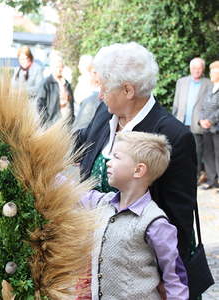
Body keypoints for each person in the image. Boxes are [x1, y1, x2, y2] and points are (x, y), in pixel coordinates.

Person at [74, 42, 197, 262]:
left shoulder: (173, 136)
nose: (99, 95)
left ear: (128, 90)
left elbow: (178, 221)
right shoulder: (105, 111)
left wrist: (168, 280)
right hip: (93, 259)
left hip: (139, 270)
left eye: (104, 87)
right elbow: (83, 139)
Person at [79, 131, 189, 300]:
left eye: (116, 157)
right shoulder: (103, 203)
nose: (108, 163)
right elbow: (71, 192)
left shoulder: (154, 222)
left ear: (138, 170)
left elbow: (174, 276)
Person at [172, 57, 212, 184]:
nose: (196, 70)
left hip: (198, 123)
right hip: (181, 122)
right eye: (194, 68)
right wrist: (173, 120)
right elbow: (176, 104)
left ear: (203, 69)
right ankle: (180, 174)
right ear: (190, 69)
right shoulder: (181, 82)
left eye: (199, 68)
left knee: (197, 152)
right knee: (180, 150)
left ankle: (194, 176)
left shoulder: (209, 83)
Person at [198, 61, 219, 190]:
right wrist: (201, 120)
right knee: (208, 154)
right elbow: (203, 106)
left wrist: (211, 120)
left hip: (216, 128)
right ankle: (212, 180)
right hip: (206, 128)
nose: (210, 73)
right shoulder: (210, 87)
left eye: (213, 71)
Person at [37, 55, 74, 126]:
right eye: (57, 67)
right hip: (52, 123)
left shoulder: (66, 83)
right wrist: (46, 121)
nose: (60, 69)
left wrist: (72, 118)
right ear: (52, 67)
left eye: (61, 67)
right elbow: (40, 104)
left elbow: (71, 102)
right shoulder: (46, 83)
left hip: (66, 123)